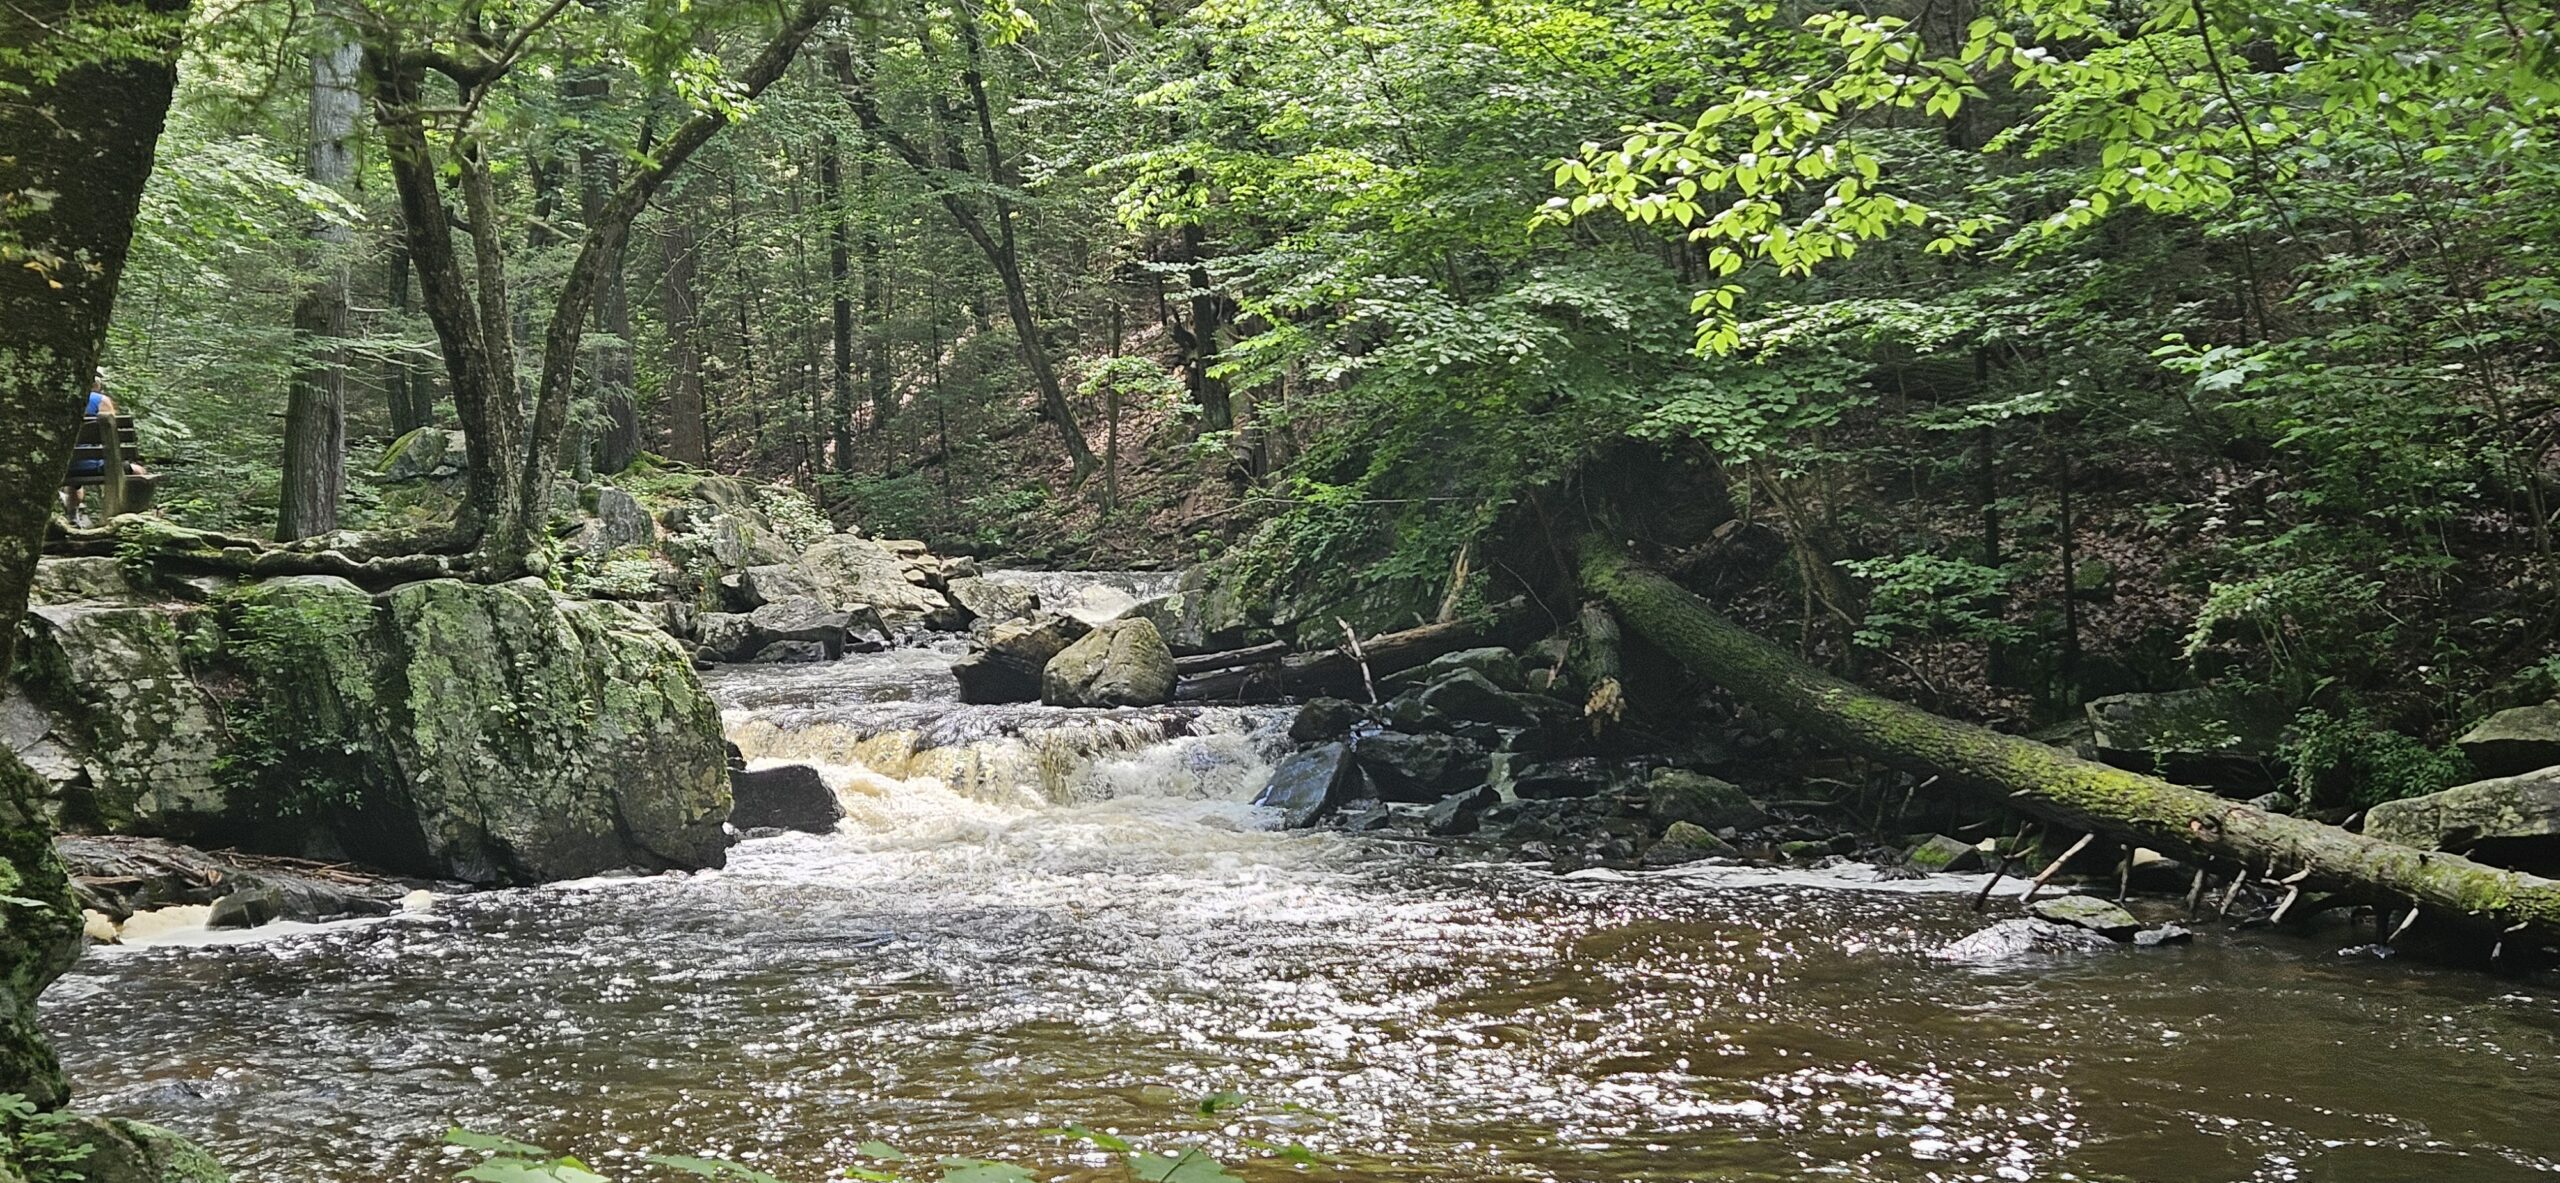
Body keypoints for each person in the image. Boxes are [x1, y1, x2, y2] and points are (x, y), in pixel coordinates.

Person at [62, 370, 152, 521]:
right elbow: (114, 437)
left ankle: (73, 517)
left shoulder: (52, 399)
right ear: (96, 384)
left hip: (60, 467)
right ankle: (133, 516)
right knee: (138, 471)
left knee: (74, 480)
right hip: (91, 466)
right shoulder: (100, 401)